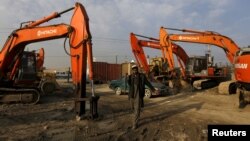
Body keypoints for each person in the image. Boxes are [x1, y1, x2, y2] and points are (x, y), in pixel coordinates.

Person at [127, 65, 155, 129]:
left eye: (136, 69)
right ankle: (136, 117)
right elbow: (129, 85)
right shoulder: (131, 77)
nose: (135, 70)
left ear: (137, 69)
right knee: (133, 109)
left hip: (138, 96)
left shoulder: (142, 76)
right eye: (133, 69)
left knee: (137, 110)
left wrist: (153, 89)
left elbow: (148, 83)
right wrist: (128, 79)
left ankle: (135, 124)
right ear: (132, 70)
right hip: (132, 96)